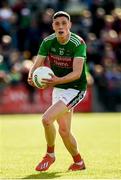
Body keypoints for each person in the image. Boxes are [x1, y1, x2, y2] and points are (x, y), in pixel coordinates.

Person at [28, 11, 87, 171]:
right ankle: (79, 162)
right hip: (59, 87)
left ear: (69, 25)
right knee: (64, 131)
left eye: (64, 23)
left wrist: (57, 81)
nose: (60, 26)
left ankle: (50, 155)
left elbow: (76, 73)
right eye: (57, 23)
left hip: (75, 88)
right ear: (53, 26)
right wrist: (30, 75)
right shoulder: (47, 42)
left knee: (46, 119)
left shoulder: (78, 43)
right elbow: (38, 62)